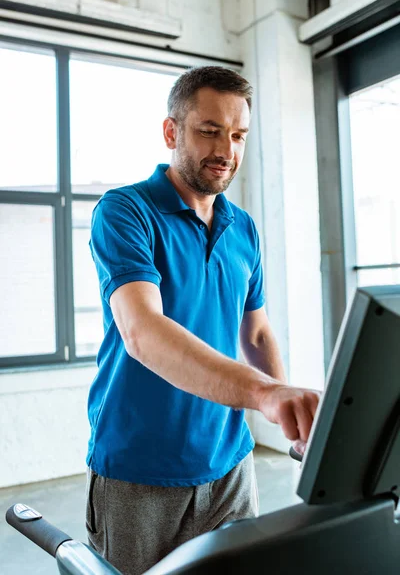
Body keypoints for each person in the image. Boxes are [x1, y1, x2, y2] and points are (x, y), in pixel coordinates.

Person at [86, 66, 320, 575]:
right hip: (138, 470)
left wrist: (287, 412)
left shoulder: (244, 230)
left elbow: (255, 332)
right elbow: (141, 332)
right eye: (208, 130)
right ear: (172, 132)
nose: (226, 150)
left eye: (238, 135)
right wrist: (263, 394)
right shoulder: (126, 211)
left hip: (230, 464)